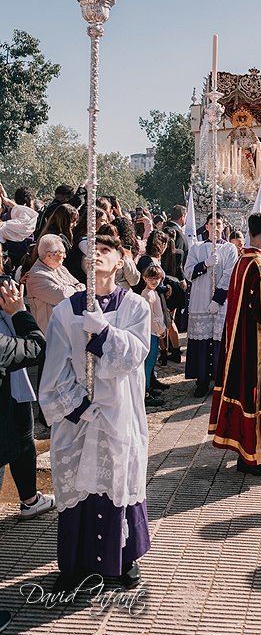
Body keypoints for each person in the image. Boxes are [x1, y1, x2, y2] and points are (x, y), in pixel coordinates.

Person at [39, 234, 151, 593]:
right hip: (80, 417)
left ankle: (122, 560)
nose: (98, 256)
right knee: (77, 485)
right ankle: (74, 566)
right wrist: (78, 405)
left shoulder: (135, 306)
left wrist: (103, 332)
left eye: (107, 252)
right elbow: (53, 369)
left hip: (120, 411)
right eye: (94, 251)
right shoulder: (64, 310)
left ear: (120, 263)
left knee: (117, 478)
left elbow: (135, 355)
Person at [208, 212, 261, 476]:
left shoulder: (241, 260)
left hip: (238, 342)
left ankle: (245, 454)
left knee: (244, 395)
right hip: (256, 349)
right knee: (259, 397)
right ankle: (254, 456)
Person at [0, 270, 55, 520]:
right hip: (9, 377)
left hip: (15, 382)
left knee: (22, 436)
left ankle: (30, 499)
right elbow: (36, 346)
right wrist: (20, 310)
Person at [183, 212, 238, 397]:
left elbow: (230, 275)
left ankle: (220, 380)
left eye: (219, 223)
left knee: (219, 340)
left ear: (223, 226)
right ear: (206, 226)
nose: (215, 227)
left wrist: (218, 299)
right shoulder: (196, 248)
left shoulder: (230, 248)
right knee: (202, 340)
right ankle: (201, 380)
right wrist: (204, 265)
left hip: (220, 302)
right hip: (200, 299)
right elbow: (188, 272)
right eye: (212, 223)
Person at [25, 235, 85, 333]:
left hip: (66, 329)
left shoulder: (60, 268)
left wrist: (70, 288)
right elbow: (63, 297)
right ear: (49, 255)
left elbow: (82, 286)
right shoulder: (36, 276)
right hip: (51, 333)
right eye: (62, 253)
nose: (65, 256)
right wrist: (75, 288)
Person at [141, 263, 169, 407]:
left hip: (155, 331)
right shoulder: (146, 295)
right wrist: (160, 330)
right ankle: (145, 392)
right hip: (150, 332)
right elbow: (151, 317)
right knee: (149, 362)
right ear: (145, 278)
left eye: (157, 278)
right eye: (151, 278)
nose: (154, 281)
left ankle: (149, 387)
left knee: (151, 362)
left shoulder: (153, 293)